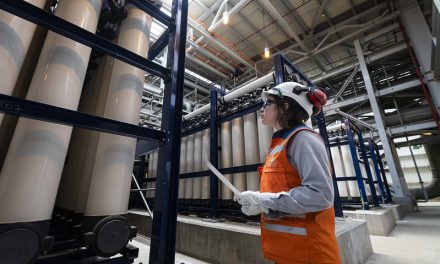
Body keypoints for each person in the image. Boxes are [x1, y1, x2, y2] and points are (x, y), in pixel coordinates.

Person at [234, 82, 341, 264]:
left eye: (268, 103)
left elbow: (320, 195)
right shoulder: (281, 143)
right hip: (289, 251)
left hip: (311, 253)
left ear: (285, 106)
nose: (262, 109)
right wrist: (263, 205)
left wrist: (263, 200)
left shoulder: (304, 139)